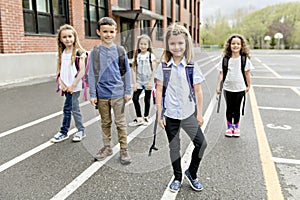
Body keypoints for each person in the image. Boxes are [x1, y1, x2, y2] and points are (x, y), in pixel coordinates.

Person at [155, 24, 207, 192]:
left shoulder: (191, 66)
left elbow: (198, 92)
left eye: (180, 43)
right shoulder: (163, 66)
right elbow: (159, 90)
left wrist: (199, 114)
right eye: (172, 44)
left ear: (186, 44)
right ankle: (177, 177)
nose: (176, 47)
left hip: (188, 114)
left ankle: (192, 173)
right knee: (174, 147)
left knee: (201, 144)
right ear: (167, 45)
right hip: (170, 114)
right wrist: (159, 115)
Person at [88, 17, 132, 165]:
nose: (108, 35)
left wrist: (128, 90)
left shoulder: (120, 51)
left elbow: (126, 72)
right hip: (102, 95)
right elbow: (91, 75)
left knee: (120, 123)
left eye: (111, 32)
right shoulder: (94, 52)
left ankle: (124, 149)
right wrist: (93, 94)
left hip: (118, 93)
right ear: (98, 32)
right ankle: (107, 147)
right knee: (105, 122)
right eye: (105, 31)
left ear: (116, 32)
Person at [50, 24, 86, 143]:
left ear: (74, 37)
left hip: (74, 87)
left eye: (70, 36)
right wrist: (62, 85)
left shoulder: (79, 53)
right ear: (60, 39)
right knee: (73, 108)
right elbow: (58, 72)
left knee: (68, 108)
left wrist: (73, 85)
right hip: (66, 87)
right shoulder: (60, 54)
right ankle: (79, 130)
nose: (67, 39)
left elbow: (82, 71)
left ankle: (65, 131)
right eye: (64, 37)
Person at [216, 33, 254, 137]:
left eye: (238, 44)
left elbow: (247, 73)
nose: (235, 46)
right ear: (229, 45)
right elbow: (221, 74)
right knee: (229, 108)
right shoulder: (225, 59)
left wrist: (248, 85)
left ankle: (236, 128)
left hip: (240, 88)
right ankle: (229, 128)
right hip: (228, 88)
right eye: (233, 43)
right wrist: (218, 87)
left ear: (242, 46)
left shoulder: (244, 59)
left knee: (237, 109)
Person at [129, 34, 157, 127]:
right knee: (135, 98)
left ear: (148, 45)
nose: (143, 46)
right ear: (138, 45)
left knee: (147, 99)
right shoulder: (137, 56)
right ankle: (139, 118)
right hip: (139, 81)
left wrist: (150, 81)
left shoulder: (151, 56)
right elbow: (133, 70)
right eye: (141, 44)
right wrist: (134, 83)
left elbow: (154, 70)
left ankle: (146, 116)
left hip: (148, 81)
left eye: (145, 44)